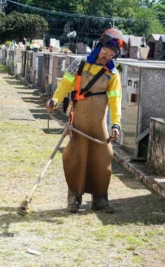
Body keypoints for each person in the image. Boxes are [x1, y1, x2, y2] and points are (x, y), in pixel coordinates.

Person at [46, 28, 126, 213]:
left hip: (99, 125)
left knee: (103, 158)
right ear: (99, 47)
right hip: (79, 122)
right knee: (76, 158)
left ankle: (100, 199)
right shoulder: (79, 64)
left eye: (112, 54)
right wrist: (55, 100)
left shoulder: (113, 74)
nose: (108, 56)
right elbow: (65, 84)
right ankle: (74, 198)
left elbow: (115, 101)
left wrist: (115, 124)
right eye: (106, 51)